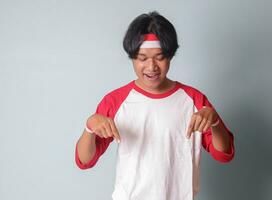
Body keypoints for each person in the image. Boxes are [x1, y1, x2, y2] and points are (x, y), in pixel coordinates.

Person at [75, 11, 235, 200]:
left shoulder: (193, 99)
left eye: (159, 57)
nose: (151, 67)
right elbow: (84, 161)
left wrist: (214, 121)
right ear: (132, 58)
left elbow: (224, 154)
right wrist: (89, 127)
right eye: (142, 58)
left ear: (170, 56)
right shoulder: (115, 101)